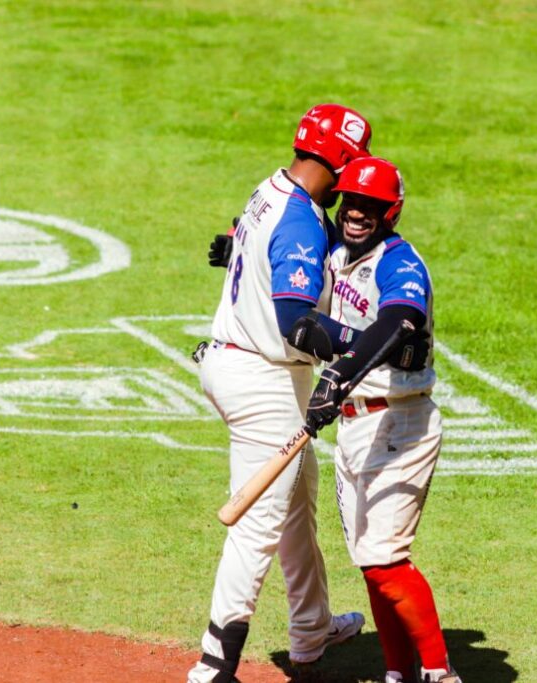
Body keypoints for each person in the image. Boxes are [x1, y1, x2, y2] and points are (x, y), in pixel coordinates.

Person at [188, 103, 373, 683]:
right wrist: (364, 343)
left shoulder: (273, 187)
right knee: (257, 527)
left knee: (298, 501)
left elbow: (245, 243)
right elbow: (298, 321)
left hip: (238, 362)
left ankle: (312, 628)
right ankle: (212, 664)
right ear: (340, 159)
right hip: (262, 380)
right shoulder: (300, 219)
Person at [286, 156, 461, 683]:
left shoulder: (399, 262)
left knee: (386, 560)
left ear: (392, 212)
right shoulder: (336, 254)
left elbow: (399, 319)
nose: (358, 213)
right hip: (356, 427)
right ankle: (397, 673)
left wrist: (340, 376)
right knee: (371, 562)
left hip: (400, 425)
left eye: (372, 206)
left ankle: (438, 672)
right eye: (352, 202)